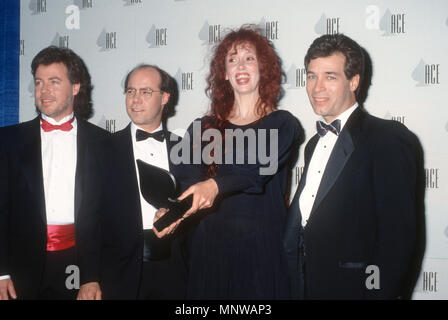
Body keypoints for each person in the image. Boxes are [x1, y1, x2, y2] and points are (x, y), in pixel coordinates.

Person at [158, 25, 303, 299]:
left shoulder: (282, 124)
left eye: (250, 58)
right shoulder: (203, 127)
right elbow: (186, 179)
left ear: (264, 67)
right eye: (232, 60)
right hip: (210, 250)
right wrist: (172, 211)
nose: (241, 66)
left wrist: (214, 186)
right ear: (224, 73)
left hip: (261, 251)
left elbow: (252, 168)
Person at [283, 34, 419, 299]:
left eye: (330, 76)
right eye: (311, 76)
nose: (317, 87)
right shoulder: (313, 145)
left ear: (354, 81)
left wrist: (376, 294)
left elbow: (397, 240)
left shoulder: (387, 137)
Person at [0, 46, 109, 300]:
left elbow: (105, 215)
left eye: (54, 82)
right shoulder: (7, 140)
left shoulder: (103, 143)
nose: (43, 90)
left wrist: (93, 275)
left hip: (80, 263)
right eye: (39, 82)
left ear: (75, 87)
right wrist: (1, 271)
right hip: (19, 267)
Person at [76, 64, 192, 300]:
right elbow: (88, 217)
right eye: (130, 91)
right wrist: (88, 277)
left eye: (146, 91)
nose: (135, 99)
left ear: (165, 97)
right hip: (118, 273)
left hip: (177, 271)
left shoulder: (186, 149)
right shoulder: (101, 149)